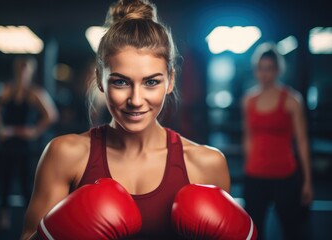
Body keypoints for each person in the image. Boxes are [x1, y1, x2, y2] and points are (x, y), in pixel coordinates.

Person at [20, 1, 233, 239]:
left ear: (170, 80)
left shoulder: (207, 164)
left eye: (151, 82)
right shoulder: (65, 154)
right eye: (120, 81)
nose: (136, 100)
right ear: (100, 80)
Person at [242, 43, 313, 240]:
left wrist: (307, 181)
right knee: (253, 232)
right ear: (256, 70)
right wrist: (248, 167)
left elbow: (302, 142)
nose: (265, 74)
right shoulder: (248, 100)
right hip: (255, 175)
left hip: (285, 175)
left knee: (292, 231)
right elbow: (248, 138)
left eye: (269, 69)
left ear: (278, 70)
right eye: (261, 69)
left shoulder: (292, 100)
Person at [0, 56, 59, 230]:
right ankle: (3, 217)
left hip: (25, 144)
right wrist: (0, 129)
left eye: (25, 68)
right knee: (5, 179)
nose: (23, 71)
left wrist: (34, 131)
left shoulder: (35, 93)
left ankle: (30, 218)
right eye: (20, 68)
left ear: (31, 71)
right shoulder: (8, 90)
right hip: (9, 141)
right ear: (16, 70)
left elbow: (51, 115)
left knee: (27, 182)